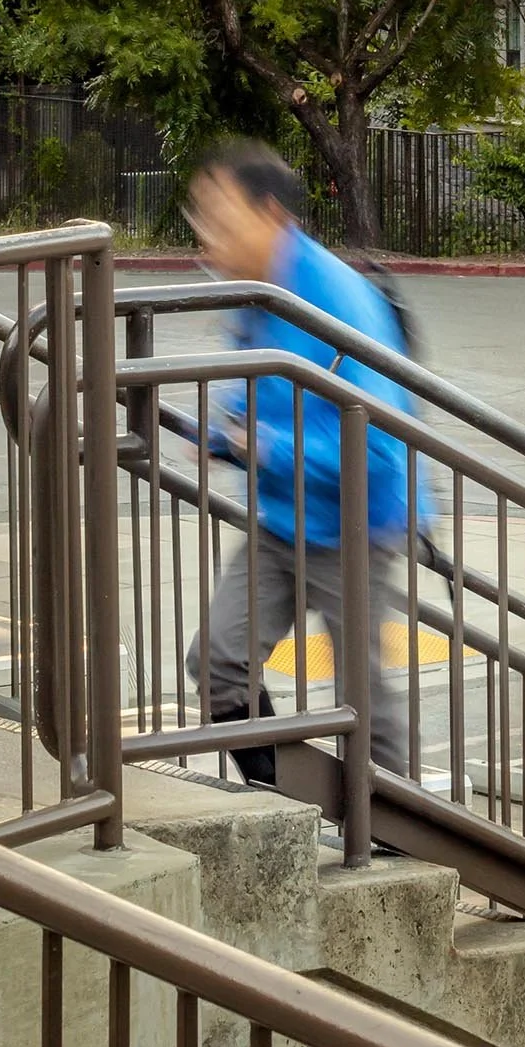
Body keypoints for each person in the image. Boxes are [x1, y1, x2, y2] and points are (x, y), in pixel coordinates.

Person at [183, 141, 420, 787]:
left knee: (362, 700)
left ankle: (402, 832)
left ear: (270, 215)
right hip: (283, 517)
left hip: (357, 524)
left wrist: (265, 447)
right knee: (218, 664)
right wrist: (213, 433)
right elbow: (252, 398)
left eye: (220, 217)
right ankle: (285, 798)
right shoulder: (256, 293)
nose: (207, 237)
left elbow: (378, 443)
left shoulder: (335, 298)